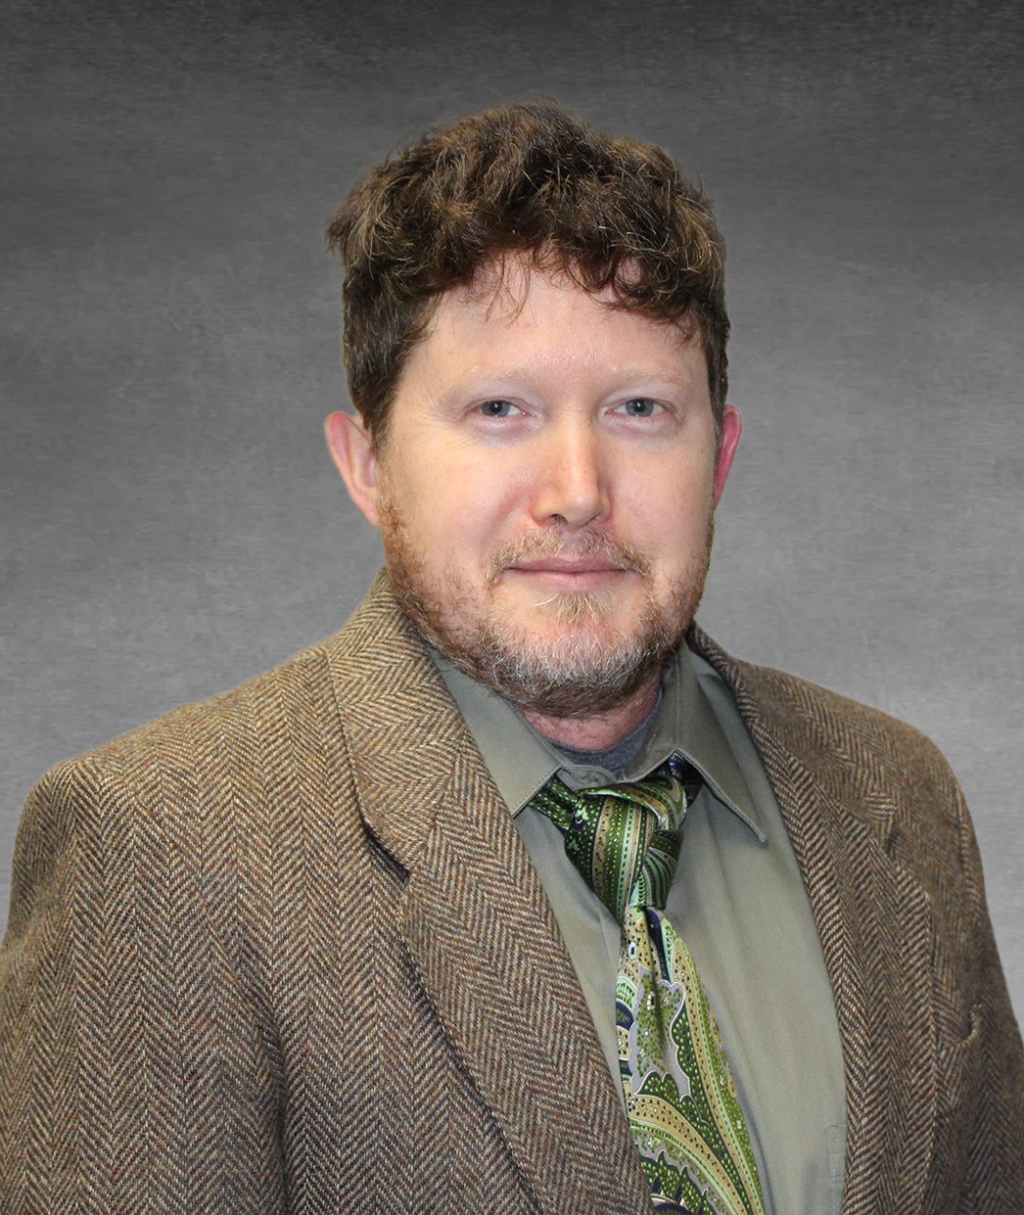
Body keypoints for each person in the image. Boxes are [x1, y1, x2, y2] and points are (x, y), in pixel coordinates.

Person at [0, 100, 1020, 1215]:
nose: (576, 490)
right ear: (368, 462)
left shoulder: (897, 795)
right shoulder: (162, 852)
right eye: (499, 409)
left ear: (718, 454)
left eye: (640, 408)